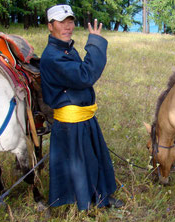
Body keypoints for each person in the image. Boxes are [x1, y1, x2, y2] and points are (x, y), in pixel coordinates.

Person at [40, 4, 123, 210]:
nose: (68, 27)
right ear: (50, 26)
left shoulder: (66, 48)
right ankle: (85, 204)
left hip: (83, 116)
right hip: (71, 121)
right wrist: (94, 44)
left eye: (70, 21)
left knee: (95, 156)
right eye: (61, 22)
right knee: (79, 164)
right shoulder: (52, 56)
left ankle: (102, 197)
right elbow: (85, 76)